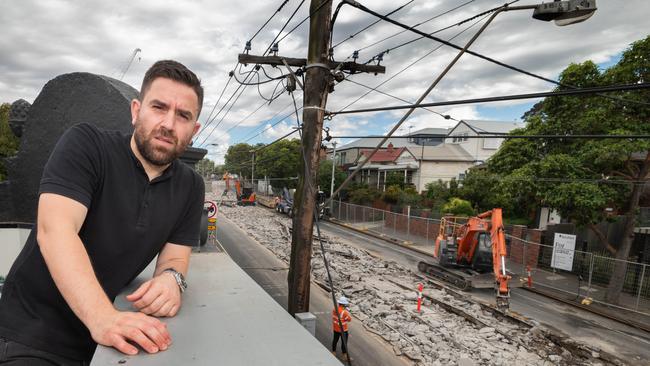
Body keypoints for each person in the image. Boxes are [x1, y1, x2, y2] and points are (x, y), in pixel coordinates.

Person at [0, 60, 205, 365]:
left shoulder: (191, 186)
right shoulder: (87, 145)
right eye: (159, 107)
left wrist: (171, 280)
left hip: (105, 345)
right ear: (137, 111)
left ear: (194, 129)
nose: (168, 124)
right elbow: (55, 231)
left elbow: (175, 257)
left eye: (183, 115)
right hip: (31, 335)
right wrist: (103, 317)